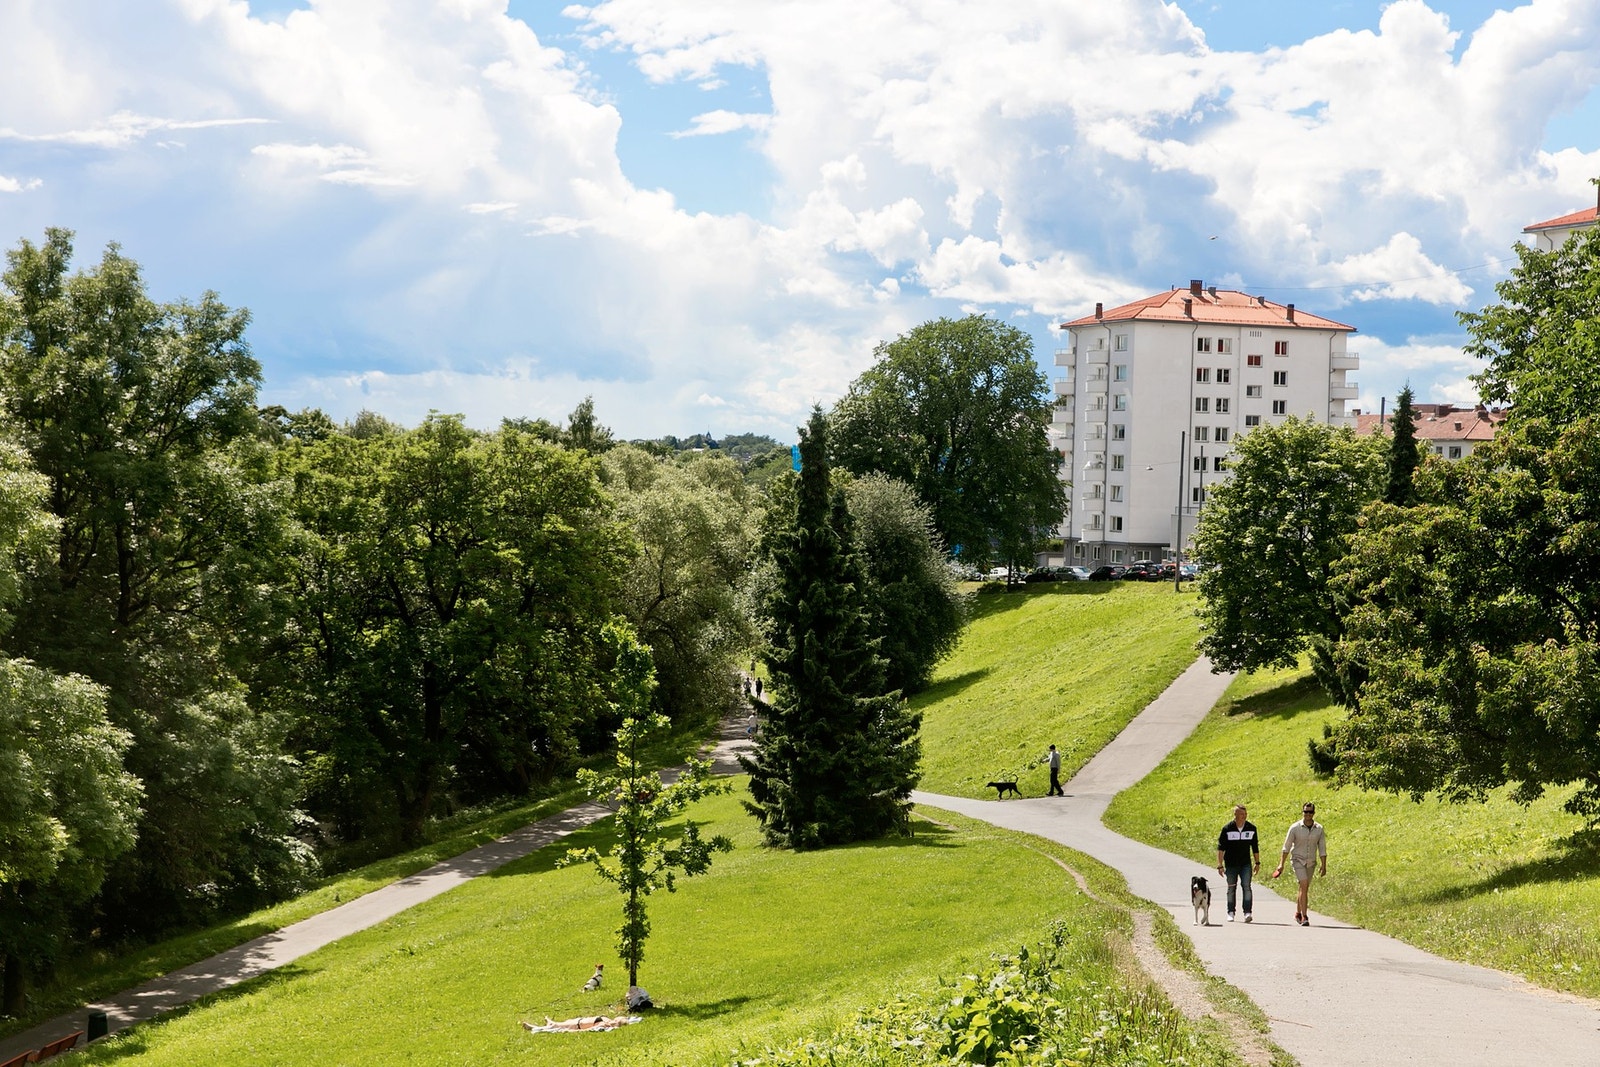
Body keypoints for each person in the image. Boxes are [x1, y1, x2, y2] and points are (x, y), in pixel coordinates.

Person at [1273, 802, 1327, 926]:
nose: (1308, 814)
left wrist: (1324, 865)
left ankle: (1297, 913)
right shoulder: (1295, 827)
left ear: (1314, 813)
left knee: (1304, 888)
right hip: (1297, 860)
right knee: (1304, 884)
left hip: (1311, 862)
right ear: (1302, 812)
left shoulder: (1319, 829)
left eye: (1310, 812)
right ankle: (1304, 916)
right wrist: (1281, 864)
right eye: (1305, 812)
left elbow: (1322, 848)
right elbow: (1286, 847)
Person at [1215, 803, 1260, 923]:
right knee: (1231, 888)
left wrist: (1257, 862)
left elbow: (1255, 847)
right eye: (1241, 814)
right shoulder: (1227, 829)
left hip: (1245, 864)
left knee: (1246, 887)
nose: (1244, 816)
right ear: (1235, 815)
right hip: (1231, 864)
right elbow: (1221, 848)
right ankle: (1230, 912)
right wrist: (1220, 865)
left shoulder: (1251, 828)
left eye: (1245, 814)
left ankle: (1247, 912)